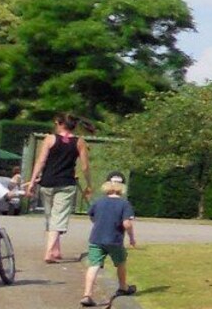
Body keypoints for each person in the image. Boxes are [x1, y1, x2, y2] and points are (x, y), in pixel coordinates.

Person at [25, 113, 91, 264]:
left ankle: (55, 250)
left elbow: (40, 161)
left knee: (51, 216)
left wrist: (32, 181)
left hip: (47, 182)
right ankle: (50, 251)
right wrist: (89, 184)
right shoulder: (79, 142)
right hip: (66, 183)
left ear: (59, 123)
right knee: (58, 217)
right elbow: (85, 167)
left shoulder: (50, 139)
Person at [80, 177, 137, 307]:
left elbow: (92, 216)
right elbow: (127, 224)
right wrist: (132, 238)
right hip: (114, 240)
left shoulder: (98, 202)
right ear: (121, 190)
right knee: (120, 262)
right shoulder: (124, 204)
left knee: (93, 265)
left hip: (96, 238)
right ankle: (123, 286)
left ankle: (87, 294)